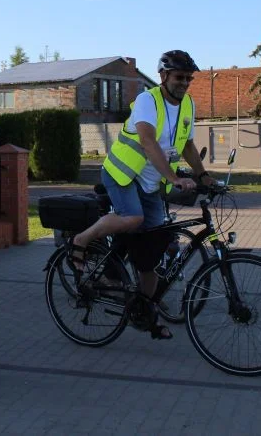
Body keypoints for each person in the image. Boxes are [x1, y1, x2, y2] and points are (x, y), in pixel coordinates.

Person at [68, 50, 216, 340]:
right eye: (178, 77)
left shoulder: (187, 105)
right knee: (133, 217)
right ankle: (82, 239)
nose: (184, 82)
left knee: (151, 256)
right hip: (122, 174)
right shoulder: (149, 101)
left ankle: (144, 314)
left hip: (149, 184)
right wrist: (174, 178)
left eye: (188, 78)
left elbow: (186, 144)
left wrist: (203, 175)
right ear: (163, 76)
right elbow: (148, 141)